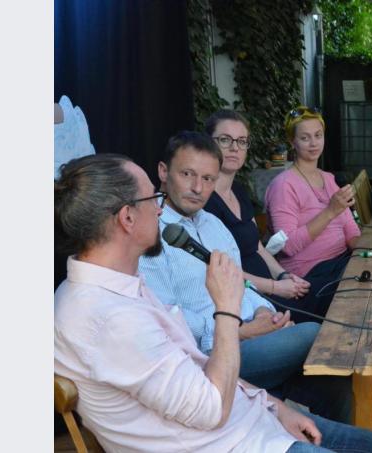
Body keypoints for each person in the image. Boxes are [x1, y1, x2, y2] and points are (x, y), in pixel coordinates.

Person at [55, 153, 372, 452]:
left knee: (370, 443)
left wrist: (275, 407)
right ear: (127, 218)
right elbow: (210, 409)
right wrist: (227, 310)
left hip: (254, 425)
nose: (160, 208)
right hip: (232, 442)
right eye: (154, 199)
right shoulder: (107, 317)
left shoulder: (118, 288)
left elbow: (196, 366)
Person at [138, 131, 353, 423]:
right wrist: (240, 330)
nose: (198, 188)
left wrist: (266, 313)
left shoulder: (214, 224)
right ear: (164, 171)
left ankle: (321, 433)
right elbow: (166, 318)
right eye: (187, 174)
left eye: (208, 179)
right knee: (317, 334)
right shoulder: (150, 233)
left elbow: (240, 282)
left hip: (254, 336)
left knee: (334, 375)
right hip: (211, 356)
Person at [202, 110, 315, 307]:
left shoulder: (239, 190)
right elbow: (216, 270)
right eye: (225, 140)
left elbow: (258, 247)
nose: (235, 148)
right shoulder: (204, 201)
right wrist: (275, 286)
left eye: (242, 141)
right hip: (248, 301)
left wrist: (283, 275)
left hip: (272, 289)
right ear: (208, 143)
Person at [265, 107, 361, 323]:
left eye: (318, 135)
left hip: (340, 263)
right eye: (305, 138)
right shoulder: (284, 185)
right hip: (308, 277)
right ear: (292, 142)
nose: (313, 143)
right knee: (363, 293)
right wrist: (330, 211)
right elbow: (287, 245)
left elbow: (351, 232)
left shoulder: (328, 179)